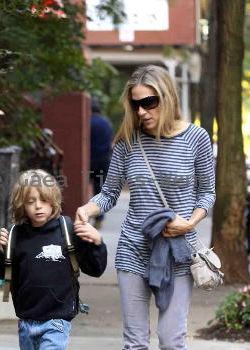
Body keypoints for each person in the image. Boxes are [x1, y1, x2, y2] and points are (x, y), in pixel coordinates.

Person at [75, 65, 215, 350]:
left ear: (167, 98)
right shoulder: (128, 141)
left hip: (178, 251)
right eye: (135, 104)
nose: (141, 112)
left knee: (171, 340)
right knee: (135, 342)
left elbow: (207, 193)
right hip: (134, 251)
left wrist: (190, 222)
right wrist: (87, 209)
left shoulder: (196, 138)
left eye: (148, 102)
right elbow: (110, 192)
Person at [0, 169, 107, 350]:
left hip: (57, 321)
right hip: (26, 321)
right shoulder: (17, 234)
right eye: (31, 201)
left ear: (53, 200)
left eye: (44, 200)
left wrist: (97, 243)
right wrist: (1, 252)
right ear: (22, 204)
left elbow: (95, 269)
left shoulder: (67, 230)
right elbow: (1, 273)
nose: (38, 206)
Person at [90, 97, 113, 229]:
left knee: (90, 187)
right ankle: (99, 217)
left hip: (91, 160)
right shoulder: (106, 122)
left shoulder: (89, 122)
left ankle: (91, 214)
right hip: (104, 160)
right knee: (100, 188)